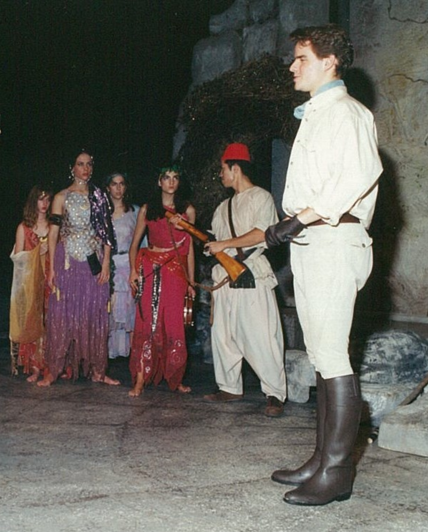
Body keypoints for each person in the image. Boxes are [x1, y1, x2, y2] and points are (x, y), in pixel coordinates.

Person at [265, 24, 382, 506]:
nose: (293, 67)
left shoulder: (349, 114)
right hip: (312, 241)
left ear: (330, 61)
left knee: (333, 355)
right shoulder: (314, 115)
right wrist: (296, 226)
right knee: (319, 354)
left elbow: (353, 179)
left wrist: (298, 220)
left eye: (302, 58)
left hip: (336, 239)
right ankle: (319, 458)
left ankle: (338, 472)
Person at [203, 143, 286, 417]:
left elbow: (262, 234)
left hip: (251, 272)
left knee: (261, 335)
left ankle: (274, 393)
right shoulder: (222, 207)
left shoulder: (261, 197)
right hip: (225, 277)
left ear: (234, 168)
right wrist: (209, 245)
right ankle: (229, 387)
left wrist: (224, 243)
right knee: (224, 335)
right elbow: (216, 242)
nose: (220, 175)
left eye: (222, 169)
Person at [37, 150, 119, 387]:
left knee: (94, 314)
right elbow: (53, 233)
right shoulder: (62, 197)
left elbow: (106, 234)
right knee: (63, 313)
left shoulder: (99, 196)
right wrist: (52, 268)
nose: (85, 169)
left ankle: (98, 371)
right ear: (72, 168)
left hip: (93, 260)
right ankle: (54, 369)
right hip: (68, 261)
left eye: (89, 164)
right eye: (81, 164)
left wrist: (106, 263)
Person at [128, 166, 195, 396]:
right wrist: (132, 272)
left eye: (176, 177)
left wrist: (191, 282)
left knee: (173, 324)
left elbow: (189, 250)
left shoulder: (187, 211)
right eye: (166, 178)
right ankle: (140, 378)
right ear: (159, 181)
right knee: (147, 322)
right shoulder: (148, 209)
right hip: (150, 268)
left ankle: (175, 378)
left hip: (176, 271)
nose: (171, 182)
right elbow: (134, 244)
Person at [9, 185, 52, 382]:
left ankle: (51, 366)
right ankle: (35, 367)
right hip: (31, 282)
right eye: (40, 199)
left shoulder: (54, 226)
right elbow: (19, 259)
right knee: (34, 323)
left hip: (51, 280)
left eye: (48, 199)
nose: (44, 204)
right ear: (33, 201)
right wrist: (36, 252)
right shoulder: (23, 228)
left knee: (51, 322)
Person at [105, 172, 140, 359]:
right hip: (109, 265)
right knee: (110, 308)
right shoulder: (102, 213)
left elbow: (142, 242)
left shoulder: (134, 212)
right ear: (108, 187)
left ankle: (134, 357)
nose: (118, 188)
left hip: (128, 263)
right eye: (114, 184)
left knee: (130, 310)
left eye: (122, 184)